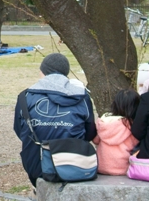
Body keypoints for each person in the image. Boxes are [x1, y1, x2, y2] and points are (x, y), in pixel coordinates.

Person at [14, 53, 97, 187]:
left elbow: (19, 130)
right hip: (75, 162)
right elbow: (90, 133)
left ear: (42, 71)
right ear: (66, 73)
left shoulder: (25, 96)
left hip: (36, 163)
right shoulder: (82, 97)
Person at [93, 89, 141, 176]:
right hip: (124, 168)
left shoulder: (103, 121)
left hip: (101, 167)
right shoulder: (131, 125)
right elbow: (136, 143)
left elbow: (95, 140)